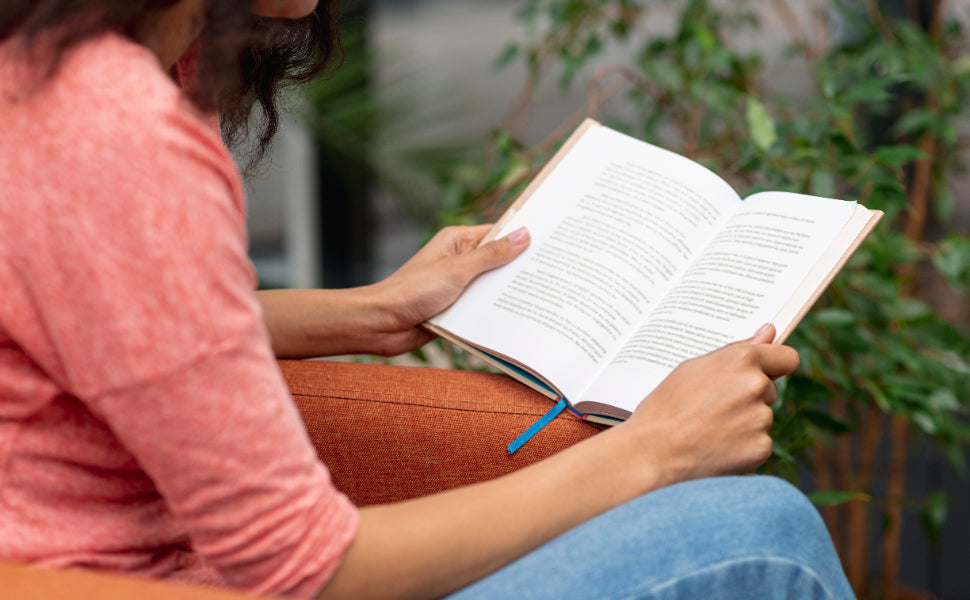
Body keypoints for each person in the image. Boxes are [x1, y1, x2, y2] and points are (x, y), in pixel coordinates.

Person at [0, 1, 856, 599]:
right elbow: (310, 567)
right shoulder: (116, 134)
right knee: (765, 533)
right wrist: (657, 450)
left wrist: (369, 311)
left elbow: (103, 319)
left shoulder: (57, 70)